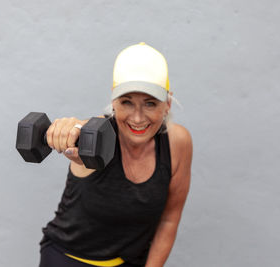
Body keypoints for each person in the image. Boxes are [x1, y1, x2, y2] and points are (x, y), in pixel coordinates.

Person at [39, 42, 193, 267]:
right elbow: (79, 132)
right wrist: (68, 130)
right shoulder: (96, 135)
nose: (138, 118)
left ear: (167, 104)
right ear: (113, 103)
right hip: (69, 259)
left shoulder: (177, 143)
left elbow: (168, 220)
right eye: (127, 102)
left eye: (150, 103)